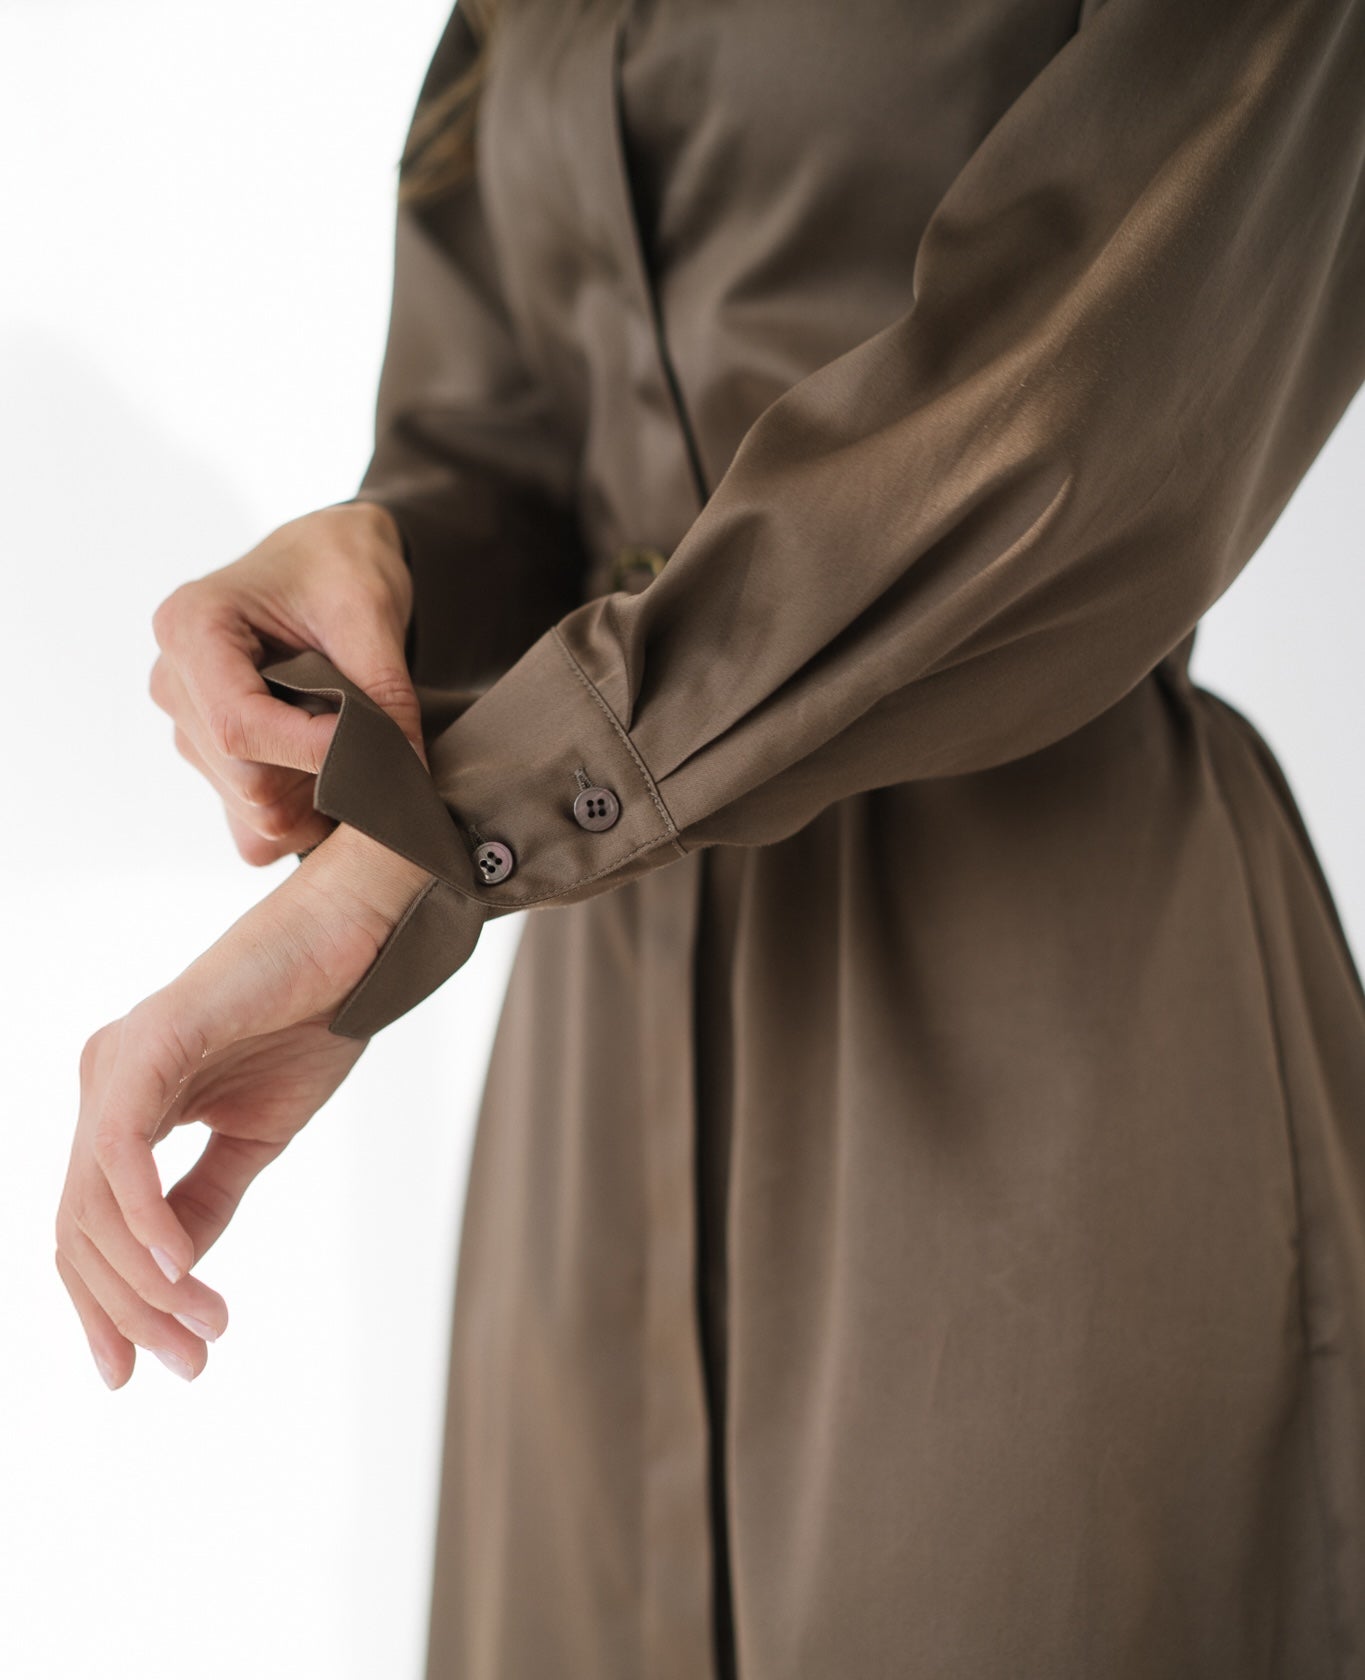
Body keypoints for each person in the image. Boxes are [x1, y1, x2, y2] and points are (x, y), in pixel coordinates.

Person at [55, 0, 1365, 1673]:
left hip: (1046, 1037)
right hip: (588, 1085)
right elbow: (512, 458)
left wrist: (431, 854)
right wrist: (352, 610)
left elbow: (1065, 413)